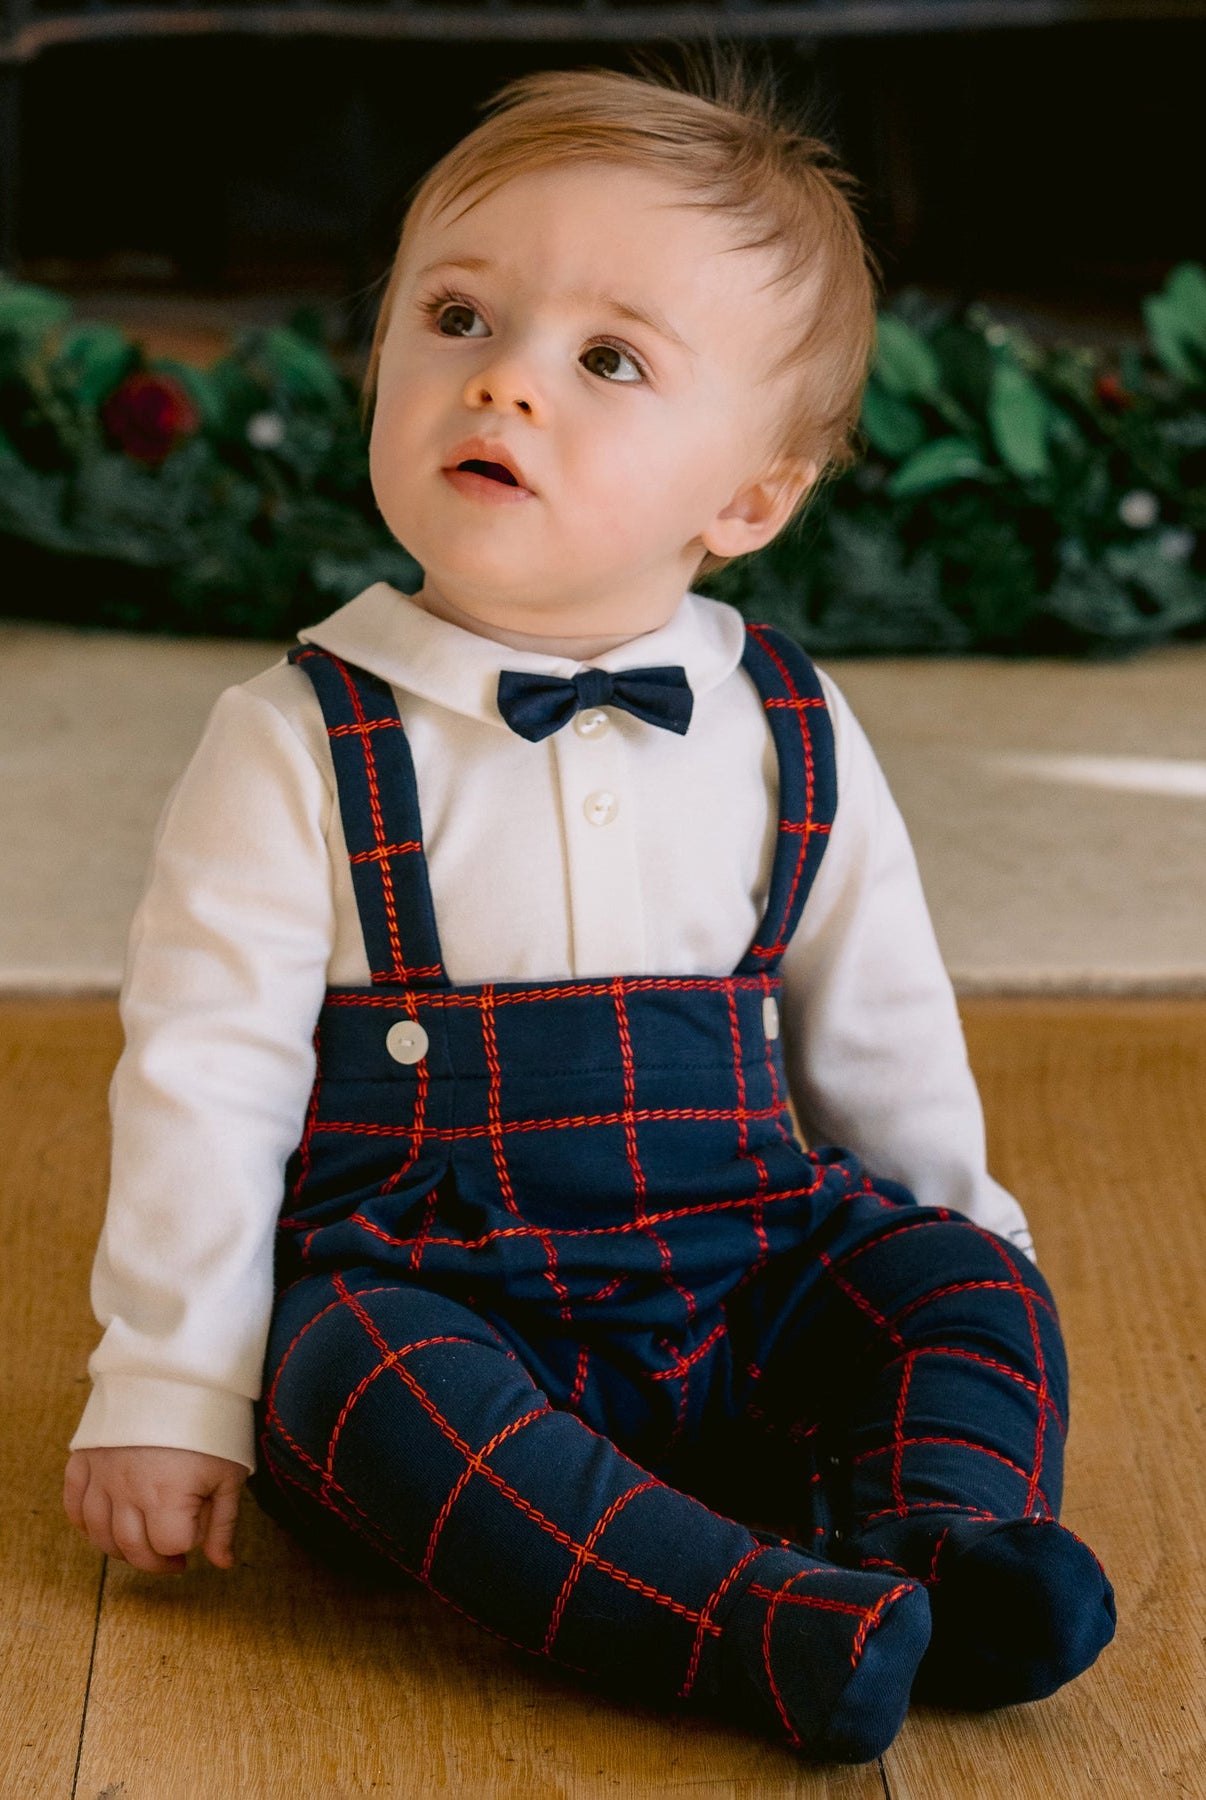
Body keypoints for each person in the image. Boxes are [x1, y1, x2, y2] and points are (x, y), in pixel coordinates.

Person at [63, 46, 1115, 1764]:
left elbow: (879, 1024)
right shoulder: (297, 738)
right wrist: (168, 1386)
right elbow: (205, 1077)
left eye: (607, 359)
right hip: (449, 1296)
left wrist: (945, 1238)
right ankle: (751, 1620)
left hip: (743, 1271)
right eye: (456, 318)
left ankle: (939, 1541)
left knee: (966, 1281)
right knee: (347, 1377)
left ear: (748, 500)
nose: (503, 382)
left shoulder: (785, 720)